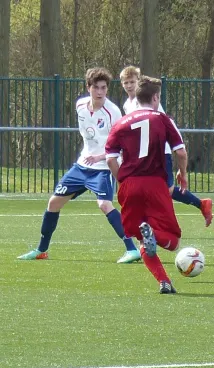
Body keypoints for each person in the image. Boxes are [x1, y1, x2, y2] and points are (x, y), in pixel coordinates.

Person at [18, 67, 141, 264]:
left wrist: (101, 156)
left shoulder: (113, 112)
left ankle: (132, 249)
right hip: (82, 166)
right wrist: (89, 155)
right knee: (53, 203)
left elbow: (124, 144)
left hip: (103, 167)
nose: (100, 92)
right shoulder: (80, 105)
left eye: (104, 88)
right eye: (96, 87)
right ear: (88, 87)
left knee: (104, 204)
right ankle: (41, 250)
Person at [106, 76, 188, 294]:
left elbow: (110, 159)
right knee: (172, 241)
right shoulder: (162, 119)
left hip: (130, 185)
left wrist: (122, 180)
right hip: (155, 184)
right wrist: (183, 174)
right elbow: (180, 151)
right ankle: (154, 234)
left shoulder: (121, 123)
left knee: (142, 238)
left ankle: (164, 282)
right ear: (155, 97)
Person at [119, 66, 213, 227]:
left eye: (132, 82)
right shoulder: (127, 104)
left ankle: (196, 206)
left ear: (139, 82)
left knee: (163, 190)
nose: (129, 86)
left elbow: (160, 124)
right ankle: (199, 205)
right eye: (126, 82)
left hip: (160, 152)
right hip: (144, 152)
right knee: (154, 188)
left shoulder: (147, 100)